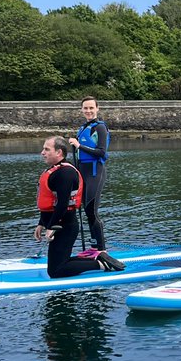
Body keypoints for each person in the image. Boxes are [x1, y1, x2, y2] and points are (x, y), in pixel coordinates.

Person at [35, 136, 123, 278]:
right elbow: (50, 201)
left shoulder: (66, 173)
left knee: (55, 271)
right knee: (58, 265)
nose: (42, 152)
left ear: (59, 152)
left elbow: (63, 204)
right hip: (58, 225)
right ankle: (96, 258)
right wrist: (41, 223)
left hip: (65, 226)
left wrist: (51, 226)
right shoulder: (54, 171)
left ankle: (100, 264)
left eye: (46, 149)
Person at [67, 96, 110, 251]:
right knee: (86, 211)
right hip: (82, 173)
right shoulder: (83, 128)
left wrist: (78, 146)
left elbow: (101, 152)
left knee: (91, 211)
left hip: (95, 172)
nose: (88, 111)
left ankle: (102, 250)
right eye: (85, 108)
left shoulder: (100, 128)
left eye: (91, 108)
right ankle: (94, 248)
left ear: (97, 108)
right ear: (81, 109)